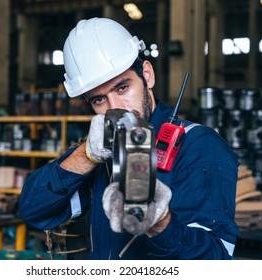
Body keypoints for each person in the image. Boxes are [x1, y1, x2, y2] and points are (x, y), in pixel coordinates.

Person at [19, 17, 240, 260]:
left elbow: (216, 259)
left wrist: (160, 224)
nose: (115, 108)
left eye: (122, 88)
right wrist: (86, 155)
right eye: (98, 99)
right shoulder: (101, 154)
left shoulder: (198, 145)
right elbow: (34, 210)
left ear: (147, 75)